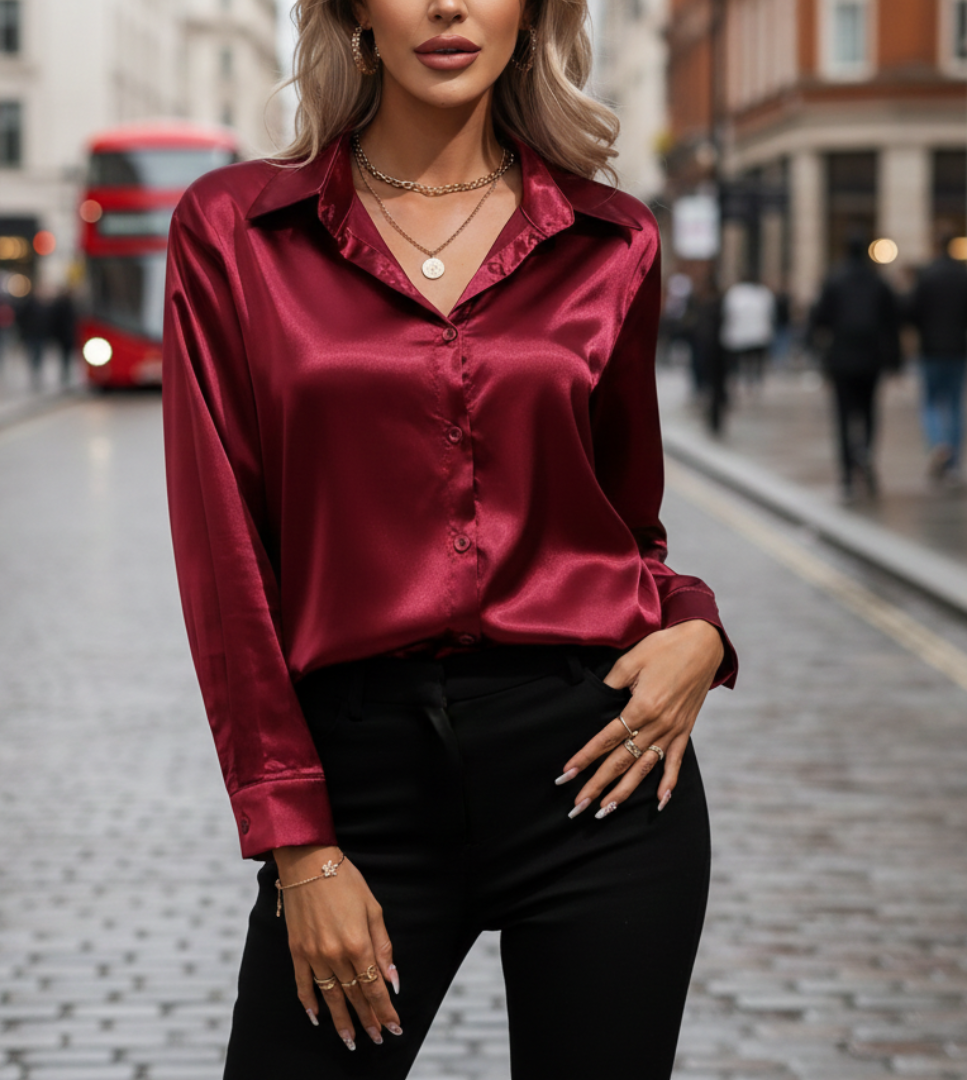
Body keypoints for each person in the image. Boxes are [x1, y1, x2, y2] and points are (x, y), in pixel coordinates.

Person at [162, 0, 739, 1075]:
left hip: (598, 771)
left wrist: (697, 630)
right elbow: (225, 559)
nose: (447, 5)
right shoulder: (235, 231)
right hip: (360, 786)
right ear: (352, 13)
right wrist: (298, 843)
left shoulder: (614, 239)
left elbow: (625, 525)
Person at [809, 235, 901, 504]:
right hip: (871, 359)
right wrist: (895, 361)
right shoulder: (878, 282)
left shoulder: (834, 281)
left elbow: (819, 318)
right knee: (869, 411)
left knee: (843, 416)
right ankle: (866, 452)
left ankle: (847, 472)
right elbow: (892, 322)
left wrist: (817, 350)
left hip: (842, 359)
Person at [905, 235, 967, 487]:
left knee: (931, 401)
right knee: (954, 404)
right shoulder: (962, 276)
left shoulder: (926, 277)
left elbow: (911, 311)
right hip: (958, 349)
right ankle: (953, 462)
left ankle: (938, 443)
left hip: (930, 349)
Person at [720, 275, 776, 388]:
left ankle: (743, 379)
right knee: (755, 360)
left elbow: (727, 313)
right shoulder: (763, 293)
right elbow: (770, 314)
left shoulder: (735, 293)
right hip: (758, 333)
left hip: (740, 334)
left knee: (741, 360)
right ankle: (754, 380)